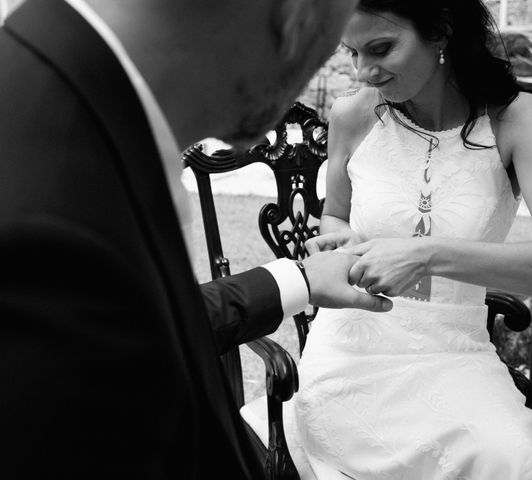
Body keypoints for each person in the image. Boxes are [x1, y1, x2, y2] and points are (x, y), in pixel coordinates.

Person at [0, 0, 394, 477]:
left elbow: (139, 322)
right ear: (297, 15)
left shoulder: (56, 107)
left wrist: (299, 279)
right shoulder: (43, 223)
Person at [281, 1, 532, 478]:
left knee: (503, 458)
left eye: (381, 48)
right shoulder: (351, 115)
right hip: (350, 351)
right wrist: (336, 240)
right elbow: (334, 216)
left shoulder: (515, 119)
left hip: (457, 351)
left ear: (442, 33)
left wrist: (427, 255)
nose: (363, 72)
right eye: (351, 52)